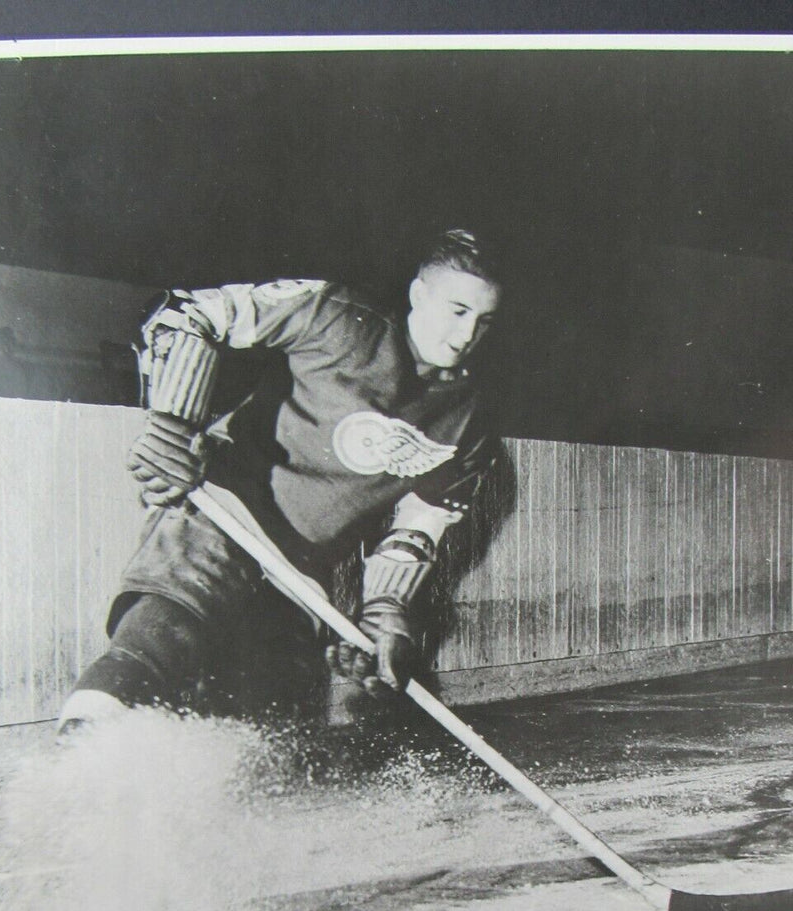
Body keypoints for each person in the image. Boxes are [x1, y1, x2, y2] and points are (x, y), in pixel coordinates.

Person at [57, 228, 503, 731]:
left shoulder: (471, 422)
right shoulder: (337, 316)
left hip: (301, 571)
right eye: (457, 310)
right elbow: (190, 311)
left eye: (484, 321)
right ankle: (73, 758)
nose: (466, 335)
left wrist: (386, 610)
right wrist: (173, 421)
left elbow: (419, 525)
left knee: (267, 724)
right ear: (419, 294)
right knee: (160, 640)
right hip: (222, 514)